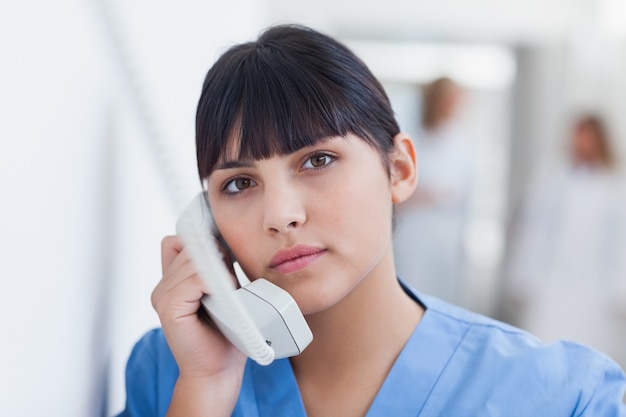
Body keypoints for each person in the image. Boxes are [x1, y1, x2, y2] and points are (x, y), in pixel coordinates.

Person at [116, 25, 626, 416]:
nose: (281, 216)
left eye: (316, 160)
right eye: (239, 184)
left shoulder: (567, 396)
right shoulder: (171, 372)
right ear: (206, 221)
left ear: (400, 169)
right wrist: (204, 389)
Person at [503, 114, 626, 370]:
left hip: (594, 289)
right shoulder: (552, 174)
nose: (581, 142)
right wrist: (523, 276)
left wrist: (619, 288)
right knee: (545, 349)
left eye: (587, 136)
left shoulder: (614, 184)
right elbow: (534, 227)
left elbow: (619, 240)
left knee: (589, 357)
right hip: (552, 283)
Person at [393, 77, 473, 306]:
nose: (454, 107)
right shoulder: (411, 135)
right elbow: (399, 186)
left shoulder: (458, 139)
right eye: (449, 100)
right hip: (413, 233)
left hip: (447, 234)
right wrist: (430, 195)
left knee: (443, 296)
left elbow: (463, 192)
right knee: (413, 293)